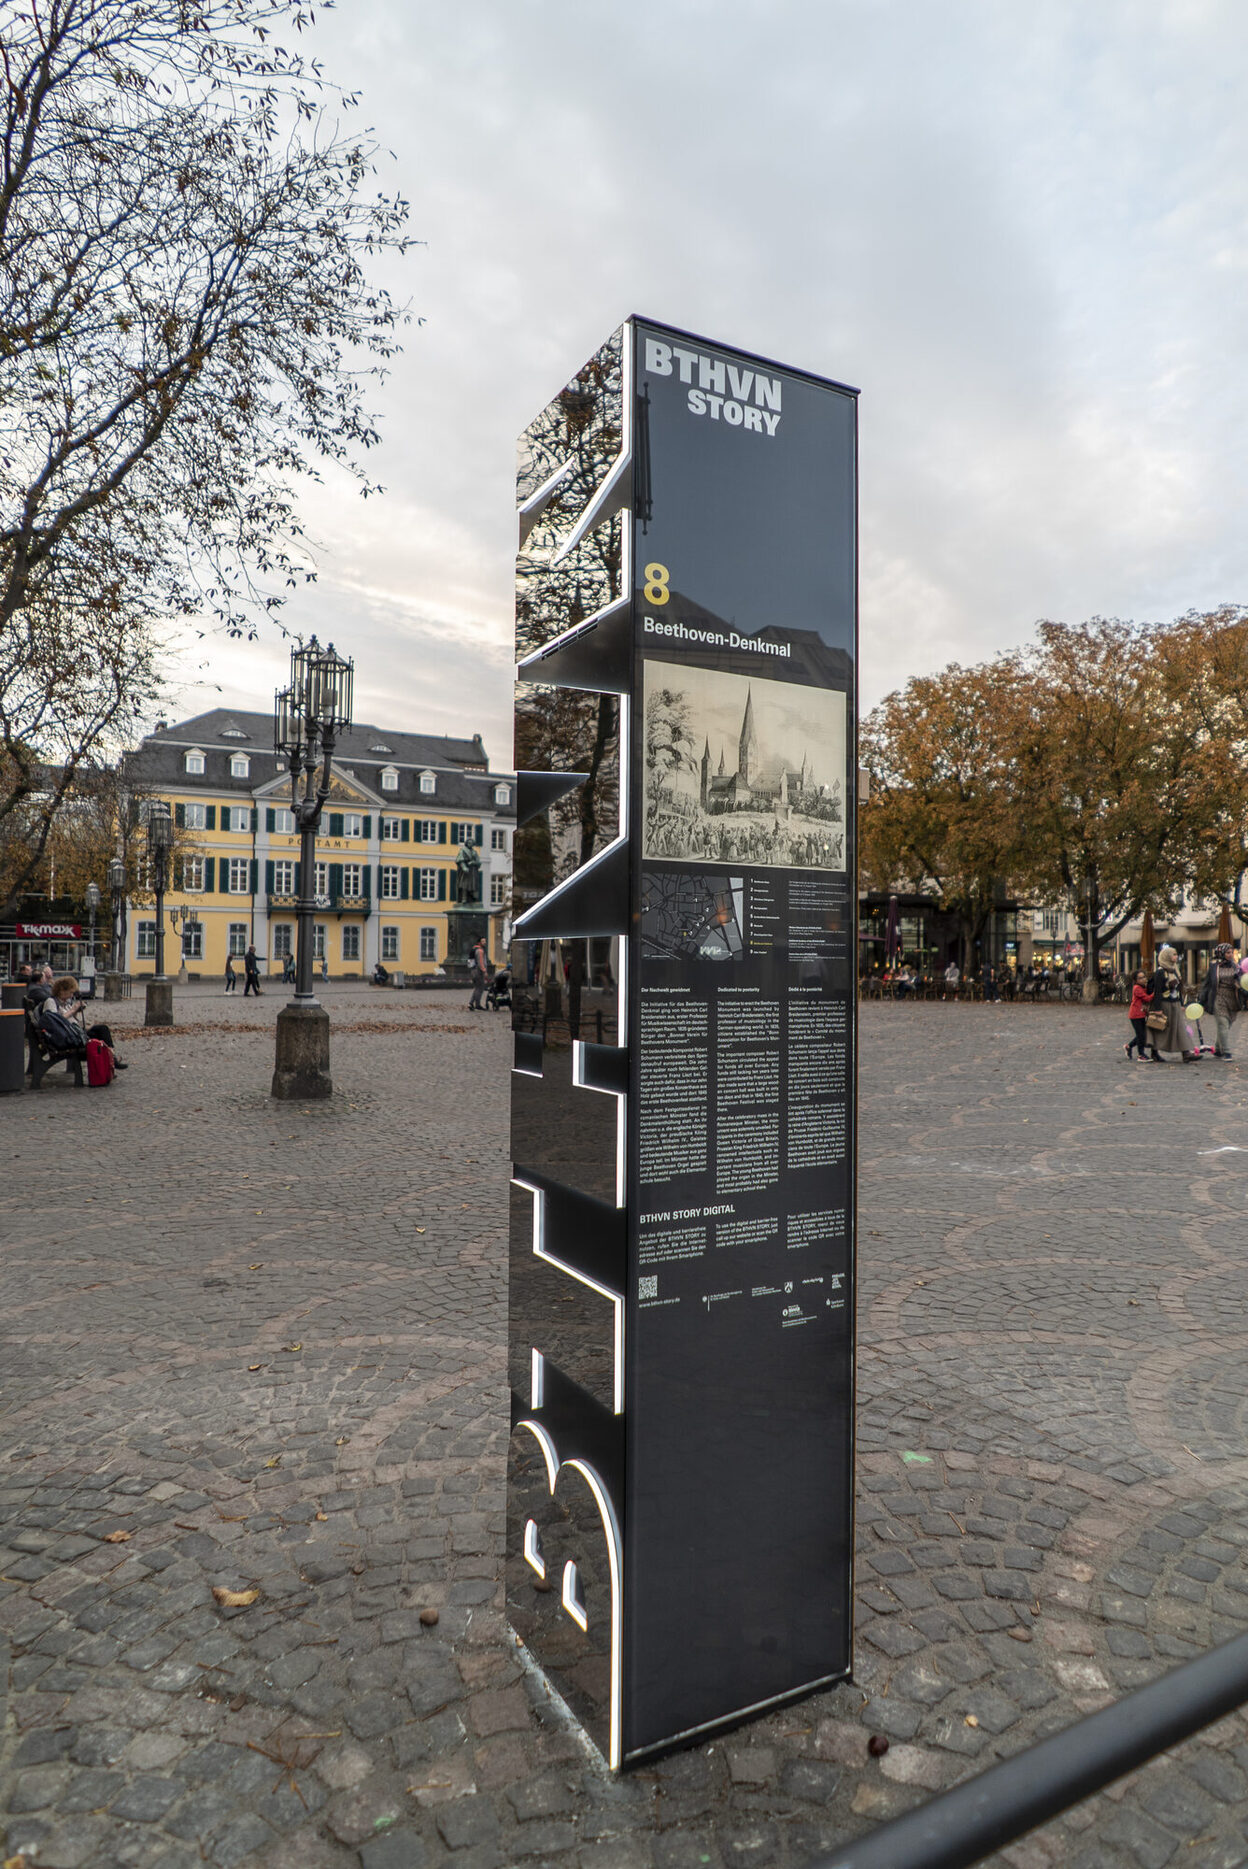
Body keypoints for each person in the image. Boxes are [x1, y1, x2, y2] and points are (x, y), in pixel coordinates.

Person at [1146, 945, 1197, 1063]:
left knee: (1180, 1028)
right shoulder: (1160, 972)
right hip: (1164, 1004)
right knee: (1161, 1028)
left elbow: (1178, 990)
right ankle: (1155, 1052)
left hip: (1175, 1004)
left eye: (1176, 954)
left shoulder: (1174, 970)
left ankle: (1186, 1053)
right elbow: (1158, 991)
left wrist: (1181, 1003)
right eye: (1173, 954)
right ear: (1167, 957)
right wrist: (1158, 1008)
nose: (1176, 956)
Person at [1199, 941, 1240, 1061]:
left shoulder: (1236, 967)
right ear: (1221, 953)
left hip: (1233, 998)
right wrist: (1202, 999)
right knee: (1222, 1023)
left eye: (1232, 952)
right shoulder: (1214, 967)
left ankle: (1217, 1049)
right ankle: (1226, 1052)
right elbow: (1206, 984)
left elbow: (1243, 982)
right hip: (1218, 997)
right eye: (1227, 952)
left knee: (1227, 1024)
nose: (1230, 954)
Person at [1124, 970, 1153, 1061]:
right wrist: (1155, 993)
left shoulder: (1144, 987)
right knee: (1141, 1035)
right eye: (1140, 978)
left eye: (1144, 977)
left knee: (1142, 1035)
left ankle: (1129, 1046)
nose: (1143, 979)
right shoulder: (1137, 988)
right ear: (1136, 980)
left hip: (1141, 1014)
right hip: (1135, 1015)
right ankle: (1141, 1054)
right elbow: (1147, 998)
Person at [468, 937, 489, 1011]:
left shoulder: (474, 949)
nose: (485, 942)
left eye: (485, 941)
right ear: (479, 942)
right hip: (478, 972)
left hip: (473, 970)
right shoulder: (480, 951)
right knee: (480, 988)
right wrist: (484, 971)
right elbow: (480, 962)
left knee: (477, 988)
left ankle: (471, 1003)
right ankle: (477, 1004)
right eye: (483, 941)